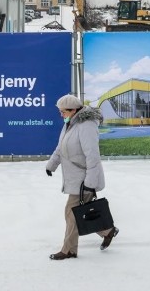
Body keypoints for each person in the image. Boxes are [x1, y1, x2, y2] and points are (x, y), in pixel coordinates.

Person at [45, 94, 119, 260]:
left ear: (74, 110)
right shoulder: (70, 124)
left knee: (72, 214)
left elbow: (92, 155)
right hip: (75, 178)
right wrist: (51, 165)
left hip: (84, 179)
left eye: (63, 112)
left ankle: (69, 250)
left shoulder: (86, 125)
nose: (61, 115)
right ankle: (107, 231)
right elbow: (60, 148)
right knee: (78, 213)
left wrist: (90, 183)